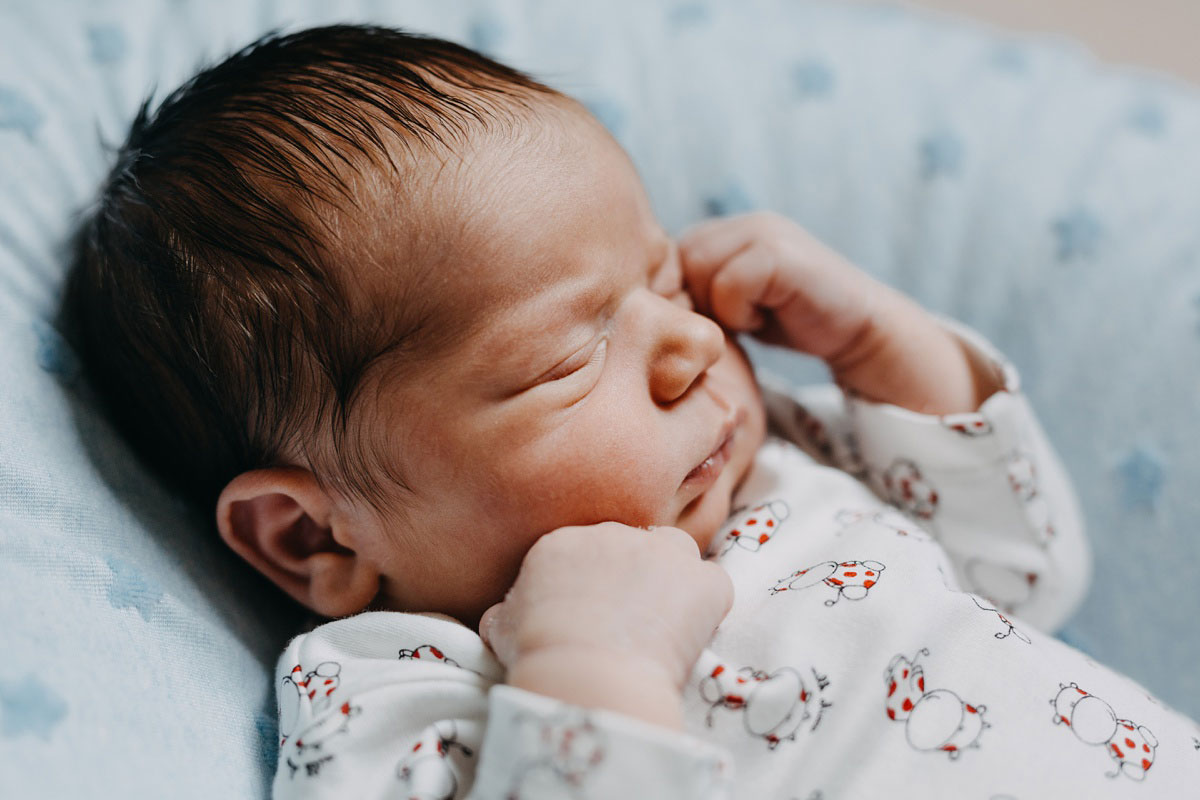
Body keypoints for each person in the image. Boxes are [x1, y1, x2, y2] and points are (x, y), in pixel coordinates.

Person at [63, 23, 1199, 799]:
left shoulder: (776, 464)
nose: (693, 342)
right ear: (316, 534)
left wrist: (881, 352)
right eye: (568, 354)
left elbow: (1023, 573)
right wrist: (589, 661)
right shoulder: (392, 692)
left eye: (661, 278)